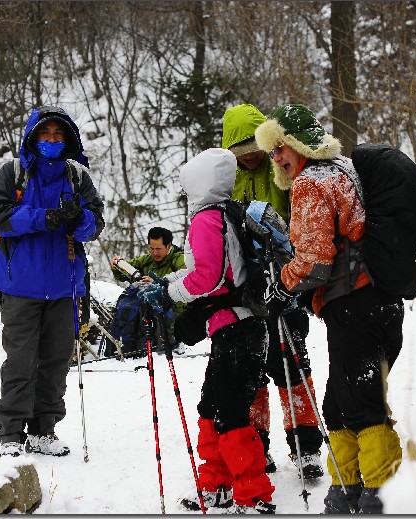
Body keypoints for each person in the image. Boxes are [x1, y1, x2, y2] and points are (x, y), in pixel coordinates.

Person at [255, 104, 404, 514]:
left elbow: (316, 260)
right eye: (272, 152)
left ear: (300, 145)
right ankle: (345, 491)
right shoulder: (345, 169)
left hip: (354, 304)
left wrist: (282, 284)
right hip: (378, 302)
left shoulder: (310, 183)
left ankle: (381, 495)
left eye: (281, 148)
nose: (277, 158)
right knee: (339, 405)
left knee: (362, 403)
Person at [139, 148, 275, 514]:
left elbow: (208, 277)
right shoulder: (223, 214)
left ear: (198, 183)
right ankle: (215, 485)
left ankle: (253, 494)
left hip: (238, 330)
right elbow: (213, 273)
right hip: (238, 328)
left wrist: (168, 293)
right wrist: (166, 281)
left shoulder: (205, 220)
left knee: (229, 414)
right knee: (211, 407)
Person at [0, 106, 105, 459]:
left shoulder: (78, 177)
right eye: (45, 134)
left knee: (55, 362)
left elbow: (95, 224)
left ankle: (43, 428)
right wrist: (45, 217)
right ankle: (11, 433)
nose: (52, 140)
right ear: (33, 137)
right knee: (20, 361)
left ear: (67, 139)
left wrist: (77, 217)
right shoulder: (14, 173)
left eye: (58, 135)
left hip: (65, 284)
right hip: (20, 285)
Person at [222, 103, 323, 478]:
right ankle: (256, 445)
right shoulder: (226, 177)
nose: (248, 156)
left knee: (292, 365)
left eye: (253, 147)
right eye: (240, 150)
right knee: (251, 371)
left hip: (284, 283)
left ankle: (306, 446)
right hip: (244, 287)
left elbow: (299, 220)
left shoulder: (281, 167)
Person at [109, 227, 185, 283]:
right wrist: (117, 266)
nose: (155, 253)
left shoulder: (181, 260)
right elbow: (123, 276)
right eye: (152, 249)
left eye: (158, 249)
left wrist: (157, 283)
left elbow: (185, 283)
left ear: (169, 246)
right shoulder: (146, 260)